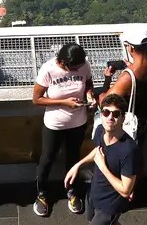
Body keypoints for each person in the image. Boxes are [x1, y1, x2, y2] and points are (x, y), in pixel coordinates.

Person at [32, 42, 94, 217]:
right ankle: (42, 193)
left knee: (73, 157)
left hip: (78, 122)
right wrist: (64, 102)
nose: (77, 70)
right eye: (74, 68)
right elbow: (37, 99)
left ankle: (72, 191)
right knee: (47, 158)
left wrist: (90, 95)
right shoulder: (48, 69)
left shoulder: (83, 65)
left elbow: (88, 83)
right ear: (63, 63)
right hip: (55, 124)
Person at [64, 94, 142, 225]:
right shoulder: (100, 130)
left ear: (123, 118)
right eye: (106, 112)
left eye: (116, 114)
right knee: (91, 220)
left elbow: (125, 191)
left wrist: (103, 167)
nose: (110, 117)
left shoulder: (129, 150)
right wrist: (78, 165)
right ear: (101, 115)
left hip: (110, 205)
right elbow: (97, 152)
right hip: (94, 194)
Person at [96, 30, 147, 142]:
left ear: (131, 48)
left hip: (132, 124)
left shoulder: (128, 76)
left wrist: (107, 79)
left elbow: (104, 103)